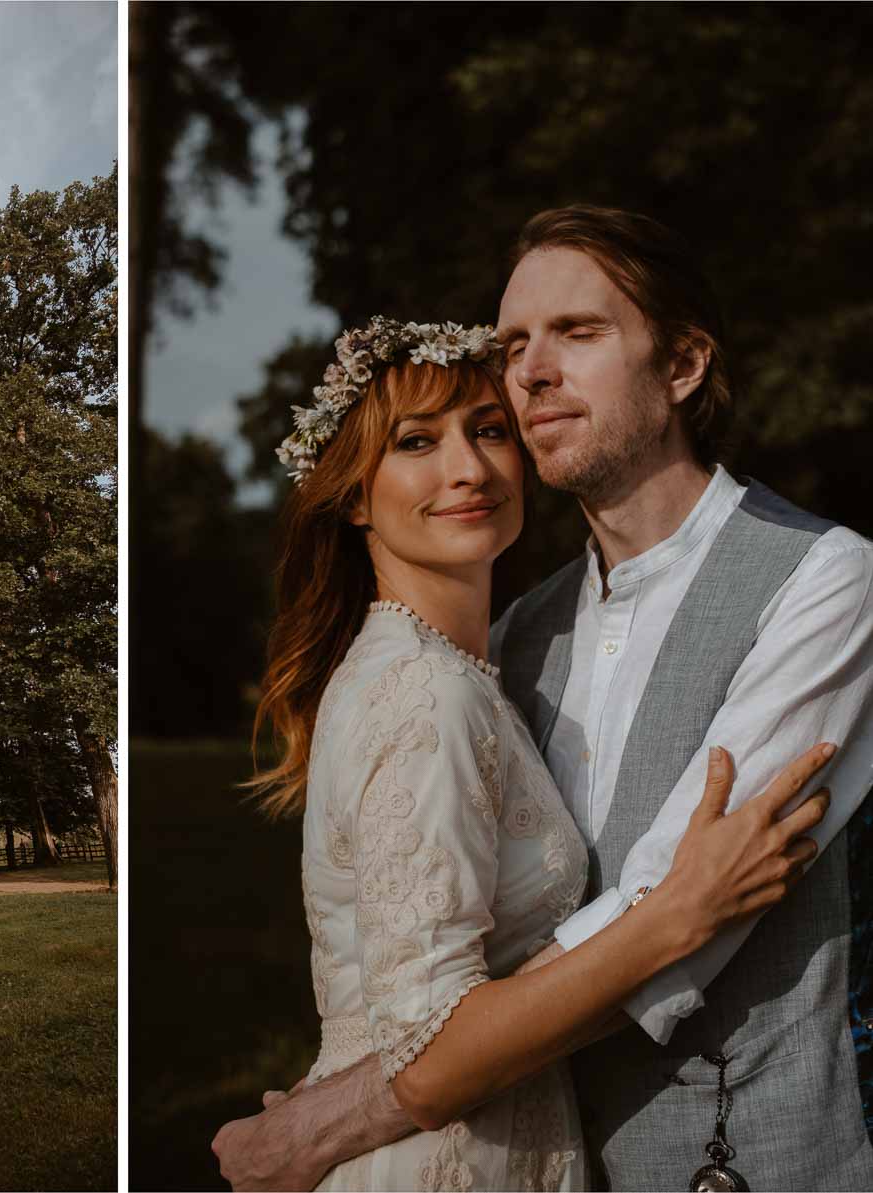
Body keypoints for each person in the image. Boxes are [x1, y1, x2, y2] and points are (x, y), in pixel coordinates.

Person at [213, 209, 873, 1192]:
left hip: (740, 1163)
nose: (529, 371)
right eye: (515, 342)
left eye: (578, 331)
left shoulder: (822, 579)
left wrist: (335, 1112)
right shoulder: (516, 633)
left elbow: (687, 904)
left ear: (685, 362)